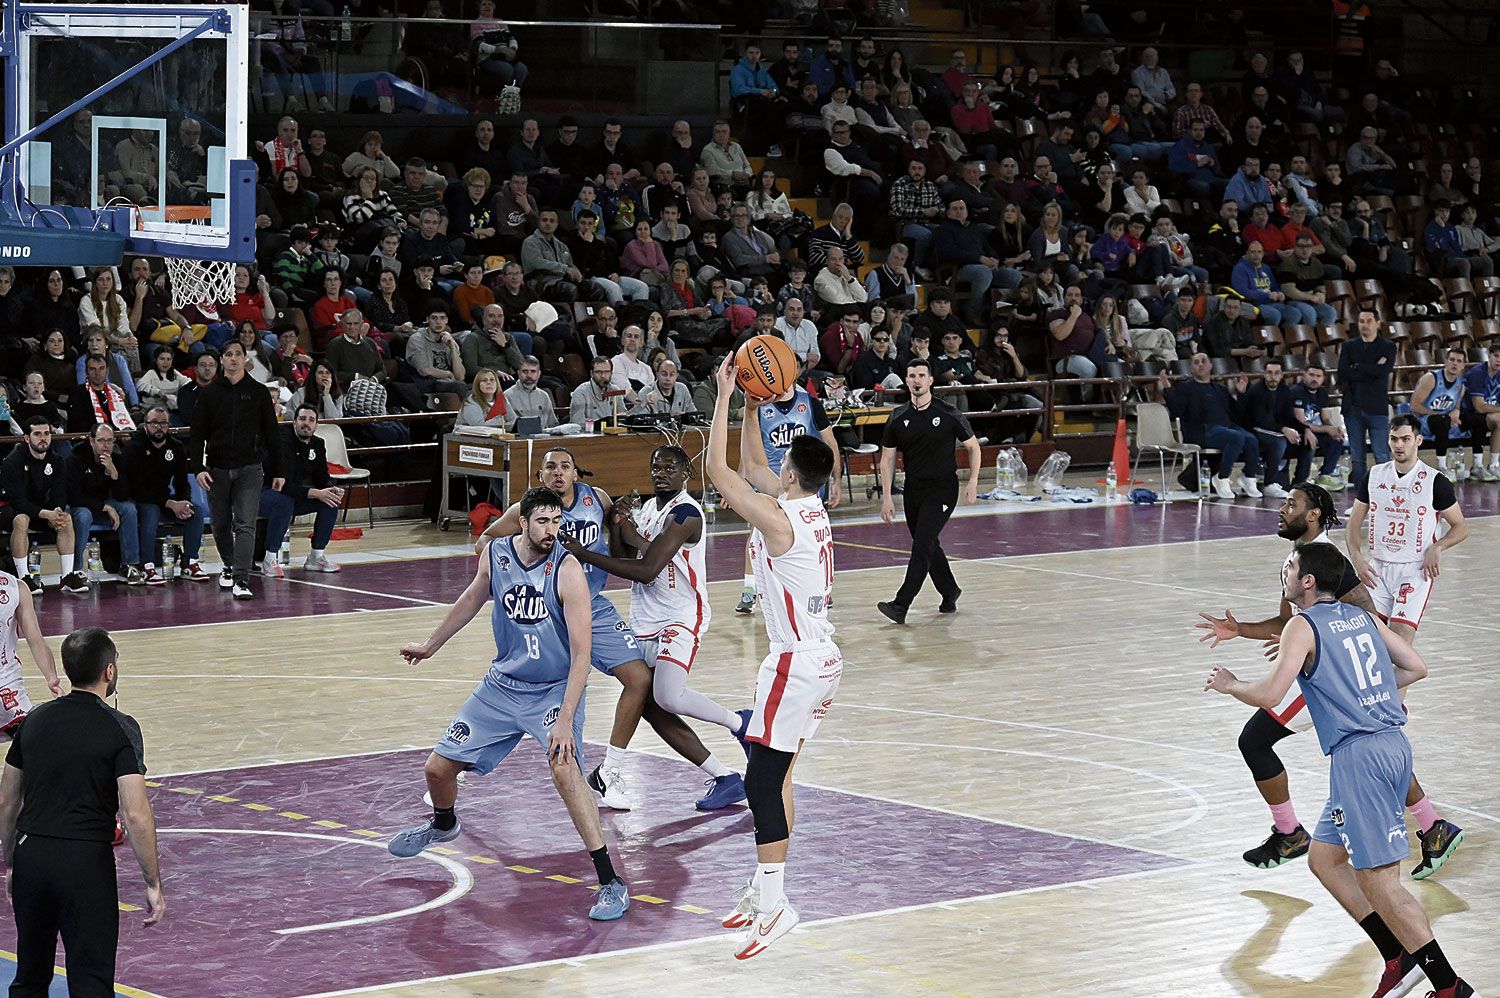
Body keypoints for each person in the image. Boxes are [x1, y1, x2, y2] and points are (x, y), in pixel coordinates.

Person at [1204, 544, 1477, 998]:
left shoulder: (1302, 625)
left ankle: (1450, 988)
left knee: (1379, 880)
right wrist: (1363, 693)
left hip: (1359, 760)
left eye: (1292, 567)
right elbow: (1417, 667)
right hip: (1392, 747)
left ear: (1308, 581)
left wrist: (1231, 685)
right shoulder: (1364, 618)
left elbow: (1272, 695)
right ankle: (1398, 957)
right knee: (1325, 858)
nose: (1286, 572)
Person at [1197, 482, 1465, 883]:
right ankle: (1432, 825)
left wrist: (1367, 679)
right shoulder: (1297, 560)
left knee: (1258, 739)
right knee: (1368, 742)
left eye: (1292, 504)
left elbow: (1366, 617)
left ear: (1313, 515)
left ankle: (1291, 834)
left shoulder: (1325, 562)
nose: (1282, 509)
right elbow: (1289, 621)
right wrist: (1241, 630)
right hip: (1323, 667)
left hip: (1331, 676)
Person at [388, 487, 631, 922]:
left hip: (553, 691)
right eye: (543, 522)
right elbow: (470, 599)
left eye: (558, 522)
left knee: (566, 772)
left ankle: (611, 881)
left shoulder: (568, 569)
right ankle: (444, 825)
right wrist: (430, 645)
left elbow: (582, 654)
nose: (552, 530)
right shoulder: (497, 554)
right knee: (436, 770)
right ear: (523, 522)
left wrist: (566, 719)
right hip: (502, 685)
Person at [471, 450, 745, 812]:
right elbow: (486, 543)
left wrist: (605, 531)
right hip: (555, 612)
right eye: (550, 467)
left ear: (575, 472)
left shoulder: (600, 500)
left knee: (650, 688)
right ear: (539, 475)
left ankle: (615, 769)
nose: (558, 473)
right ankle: (457, 763)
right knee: (528, 694)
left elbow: (643, 563)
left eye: (565, 466)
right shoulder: (530, 510)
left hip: (634, 612)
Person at [704, 357, 841, 959]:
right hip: (818, 656)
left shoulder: (781, 521)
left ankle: (778, 901)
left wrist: (724, 396)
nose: (772, 470)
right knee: (777, 772)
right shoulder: (809, 506)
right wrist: (754, 405)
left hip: (796, 660)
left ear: (793, 473)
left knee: (759, 779)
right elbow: (754, 466)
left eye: (780, 467)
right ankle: (765, 893)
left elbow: (720, 470)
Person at [0, 626, 163, 994]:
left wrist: (11, 863)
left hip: (32, 857)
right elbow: (136, 815)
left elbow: (7, 800)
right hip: (84, 861)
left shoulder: (34, 720)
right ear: (109, 671)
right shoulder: (121, 727)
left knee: (30, 977)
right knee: (91, 981)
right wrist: (152, 882)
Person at [875, 359, 981, 624]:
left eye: (922, 375)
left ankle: (901, 605)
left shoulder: (948, 413)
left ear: (931, 380)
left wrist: (973, 482)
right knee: (929, 544)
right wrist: (887, 496)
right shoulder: (898, 417)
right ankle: (949, 590)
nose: (916, 380)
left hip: (943, 489)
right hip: (914, 491)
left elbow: (973, 447)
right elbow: (887, 459)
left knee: (921, 545)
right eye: (911, 376)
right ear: (906, 380)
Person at [734, 373, 843, 614]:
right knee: (756, 534)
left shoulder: (811, 404)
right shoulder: (761, 405)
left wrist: (837, 480)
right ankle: (749, 589)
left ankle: (820, 586)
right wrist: (741, 478)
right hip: (771, 480)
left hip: (803, 485)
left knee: (810, 538)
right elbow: (750, 451)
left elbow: (830, 443)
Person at [189, 340, 284, 601]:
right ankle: (229, 566)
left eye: (237, 354)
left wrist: (279, 470)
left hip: (250, 468)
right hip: (217, 469)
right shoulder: (209, 394)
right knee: (220, 525)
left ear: (245, 359)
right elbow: (197, 434)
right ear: (222, 359)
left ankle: (242, 579)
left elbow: (272, 434)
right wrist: (197, 467)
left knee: (245, 524)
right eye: (228, 354)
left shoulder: (258, 392)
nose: (233, 358)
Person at [0, 417, 86, 596]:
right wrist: (45, 513)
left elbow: (60, 493)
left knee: (66, 519)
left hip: (41, 510)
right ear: (26, 438)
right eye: (37, 434)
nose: (43, 438)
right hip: (11, 509)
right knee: (22, 519)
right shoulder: (12, 461)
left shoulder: (57, 461)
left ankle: (67, 576)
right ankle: (24, 578)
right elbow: (17, 501)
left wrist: (56, 511)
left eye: (46, 433)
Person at [255, 405, 343, 579]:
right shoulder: (283, 440)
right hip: (266, 493)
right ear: (294, 422)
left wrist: (330, 488)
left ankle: (316, 557)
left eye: (311, 420)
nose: (306, 424)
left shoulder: (318, 444)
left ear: (316, 425)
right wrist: (317, 493)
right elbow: (283, 484)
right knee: (284, 501)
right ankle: (269, 559)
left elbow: (321, 477)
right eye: (302, 419)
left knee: (331, 501)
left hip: (295, 495)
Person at [125, 405, 209, 585]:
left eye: (163, 423)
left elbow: (182, 482)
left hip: (164, 499)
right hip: (139, 500)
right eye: (154, 423)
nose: (159, 427)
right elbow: (138, 488)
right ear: (145, 424)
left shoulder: (176, 447)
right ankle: (146, 566)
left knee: (197, 512)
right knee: (151, 512)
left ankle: (190, 563)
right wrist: (170, 503)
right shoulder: (135, 447)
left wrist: (184, 502)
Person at [1160, 353, 1264, 498]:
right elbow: (1177, 411)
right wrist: (1168, 389)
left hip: (1227, 428)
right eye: (1196, 362)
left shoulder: (1220, 389)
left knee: (1252, 439)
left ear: (1210, 366)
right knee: (1236, 437)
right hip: (1202, 430)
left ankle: (1248, 477)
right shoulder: (1185, 387)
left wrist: (1240, 393)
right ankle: (1222, 477)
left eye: (1203, 361)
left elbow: (1236, 414)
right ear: (1191, 368)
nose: (1200, 365)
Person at [67, 423, 142, 587]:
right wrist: (105, 507)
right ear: (91, 440)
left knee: (129, 509)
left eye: (110, 441)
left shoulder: (115, 458)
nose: (106, 445)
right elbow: (74, 496)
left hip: (104, 503)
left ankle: (129, 565)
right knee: (83, 515)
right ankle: (76, 570)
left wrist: (114, 473)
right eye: (101, 441)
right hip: (81, 505)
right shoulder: (76, 457)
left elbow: (123, 496)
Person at [1409, 348, 1494, 480]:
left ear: (1463, 365)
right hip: (1424, 421)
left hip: (1447, 420)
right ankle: (1441, 467)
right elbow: (1414, 406)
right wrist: (1442, 415)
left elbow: (1456, 404)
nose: (1455, 363)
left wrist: (1456, 411)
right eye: (1452, 360)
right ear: (1446, 361)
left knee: (1478, 419)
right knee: (1442, 421)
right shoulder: (1431, 378)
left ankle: (1477, 465)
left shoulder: (1460, 384)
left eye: (1459, 361)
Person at [1339, 308, 1397, 489]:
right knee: (1357, 457)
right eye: (1361, 321)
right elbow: (1343, 372)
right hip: (1352, 406)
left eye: (1369, 321)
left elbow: (1383, 371)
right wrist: (1371, 368)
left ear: (1378, 323)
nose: (1365, 325)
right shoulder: (1349, 346)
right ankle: (1360, 498)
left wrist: (1358, 366)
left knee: (1381, 455)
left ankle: (1385, 495)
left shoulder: (1388, 346)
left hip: (1377, 406)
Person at [1461, 349, 1500, 479]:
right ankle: (1491, 465)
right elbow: (1479, 407)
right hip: (1467, 415)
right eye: (1496, 355)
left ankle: (1494, 464)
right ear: (1488, 356)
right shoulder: (1477, 373)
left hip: (1488, 413)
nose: (1498, 360)